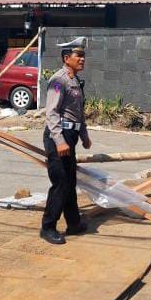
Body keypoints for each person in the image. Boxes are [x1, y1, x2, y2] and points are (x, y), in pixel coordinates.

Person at [40, 37, 92, 245]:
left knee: (70, 181)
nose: (82, 59)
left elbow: (77, 113)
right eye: (78, 55)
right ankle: (48, 227)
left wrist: (84, 135)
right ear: (66, 57)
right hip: (57, 137)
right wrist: (60, 140)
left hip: (70, 136)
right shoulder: (58, 80)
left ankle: (74, 223)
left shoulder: (75, 81)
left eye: (83, 55)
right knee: (61, 182)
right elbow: (51, 113)